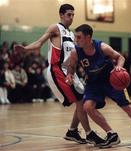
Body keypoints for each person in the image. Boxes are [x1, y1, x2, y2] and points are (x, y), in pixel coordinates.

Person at [15, 4, 104, 145]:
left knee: (84, 99)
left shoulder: (72, 34)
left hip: (70, 71)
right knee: (80, 102)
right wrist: (25, 49)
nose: (71, 17)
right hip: (57, 70)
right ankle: (89, 134)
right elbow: (39, 44)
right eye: (69, 14)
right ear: (61, 14)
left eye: (73, 15)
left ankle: (72, 131)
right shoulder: (55, 28)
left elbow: (75, 56)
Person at [66, 24, 131, 148]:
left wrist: (119, 66)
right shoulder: (75, 52)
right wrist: (69, 75)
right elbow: (72, 66)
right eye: (75, 37)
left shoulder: (102, 47)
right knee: (87, 106)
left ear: (88, 37)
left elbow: (120, 57)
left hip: (111, 80)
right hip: (93, 83)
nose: (76, 40)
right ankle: (112, 134)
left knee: (127, 107)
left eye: (79, 37)